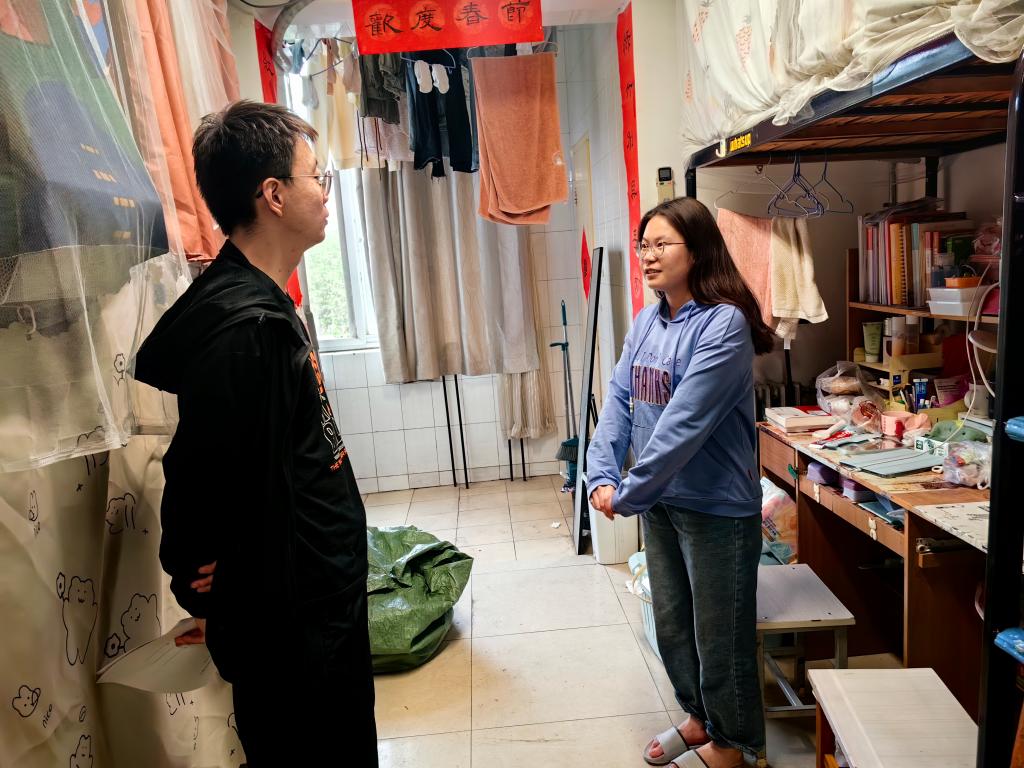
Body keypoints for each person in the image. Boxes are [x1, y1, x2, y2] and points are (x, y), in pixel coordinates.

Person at [134, 100, 377, 767]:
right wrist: (200, 575)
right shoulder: (246, 333)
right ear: (273, 195)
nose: (324, 192)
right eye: (315, 176)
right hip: (296, 630)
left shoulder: (263, 305)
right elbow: (198, 478)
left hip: (318, 605)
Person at [586, 197, 775, 768]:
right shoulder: (647, 322)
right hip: (663, 504)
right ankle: (698, 717)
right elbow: (618, 400)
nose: (647, 255)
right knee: (672, 624)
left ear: (696, 251)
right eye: (643, 245)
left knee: (721, 635)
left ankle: (733, 745)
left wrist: (628, 493)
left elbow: (683, 425)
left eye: (661, 244)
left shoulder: (724, 324)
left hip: (716, 508)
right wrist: (600, 472)